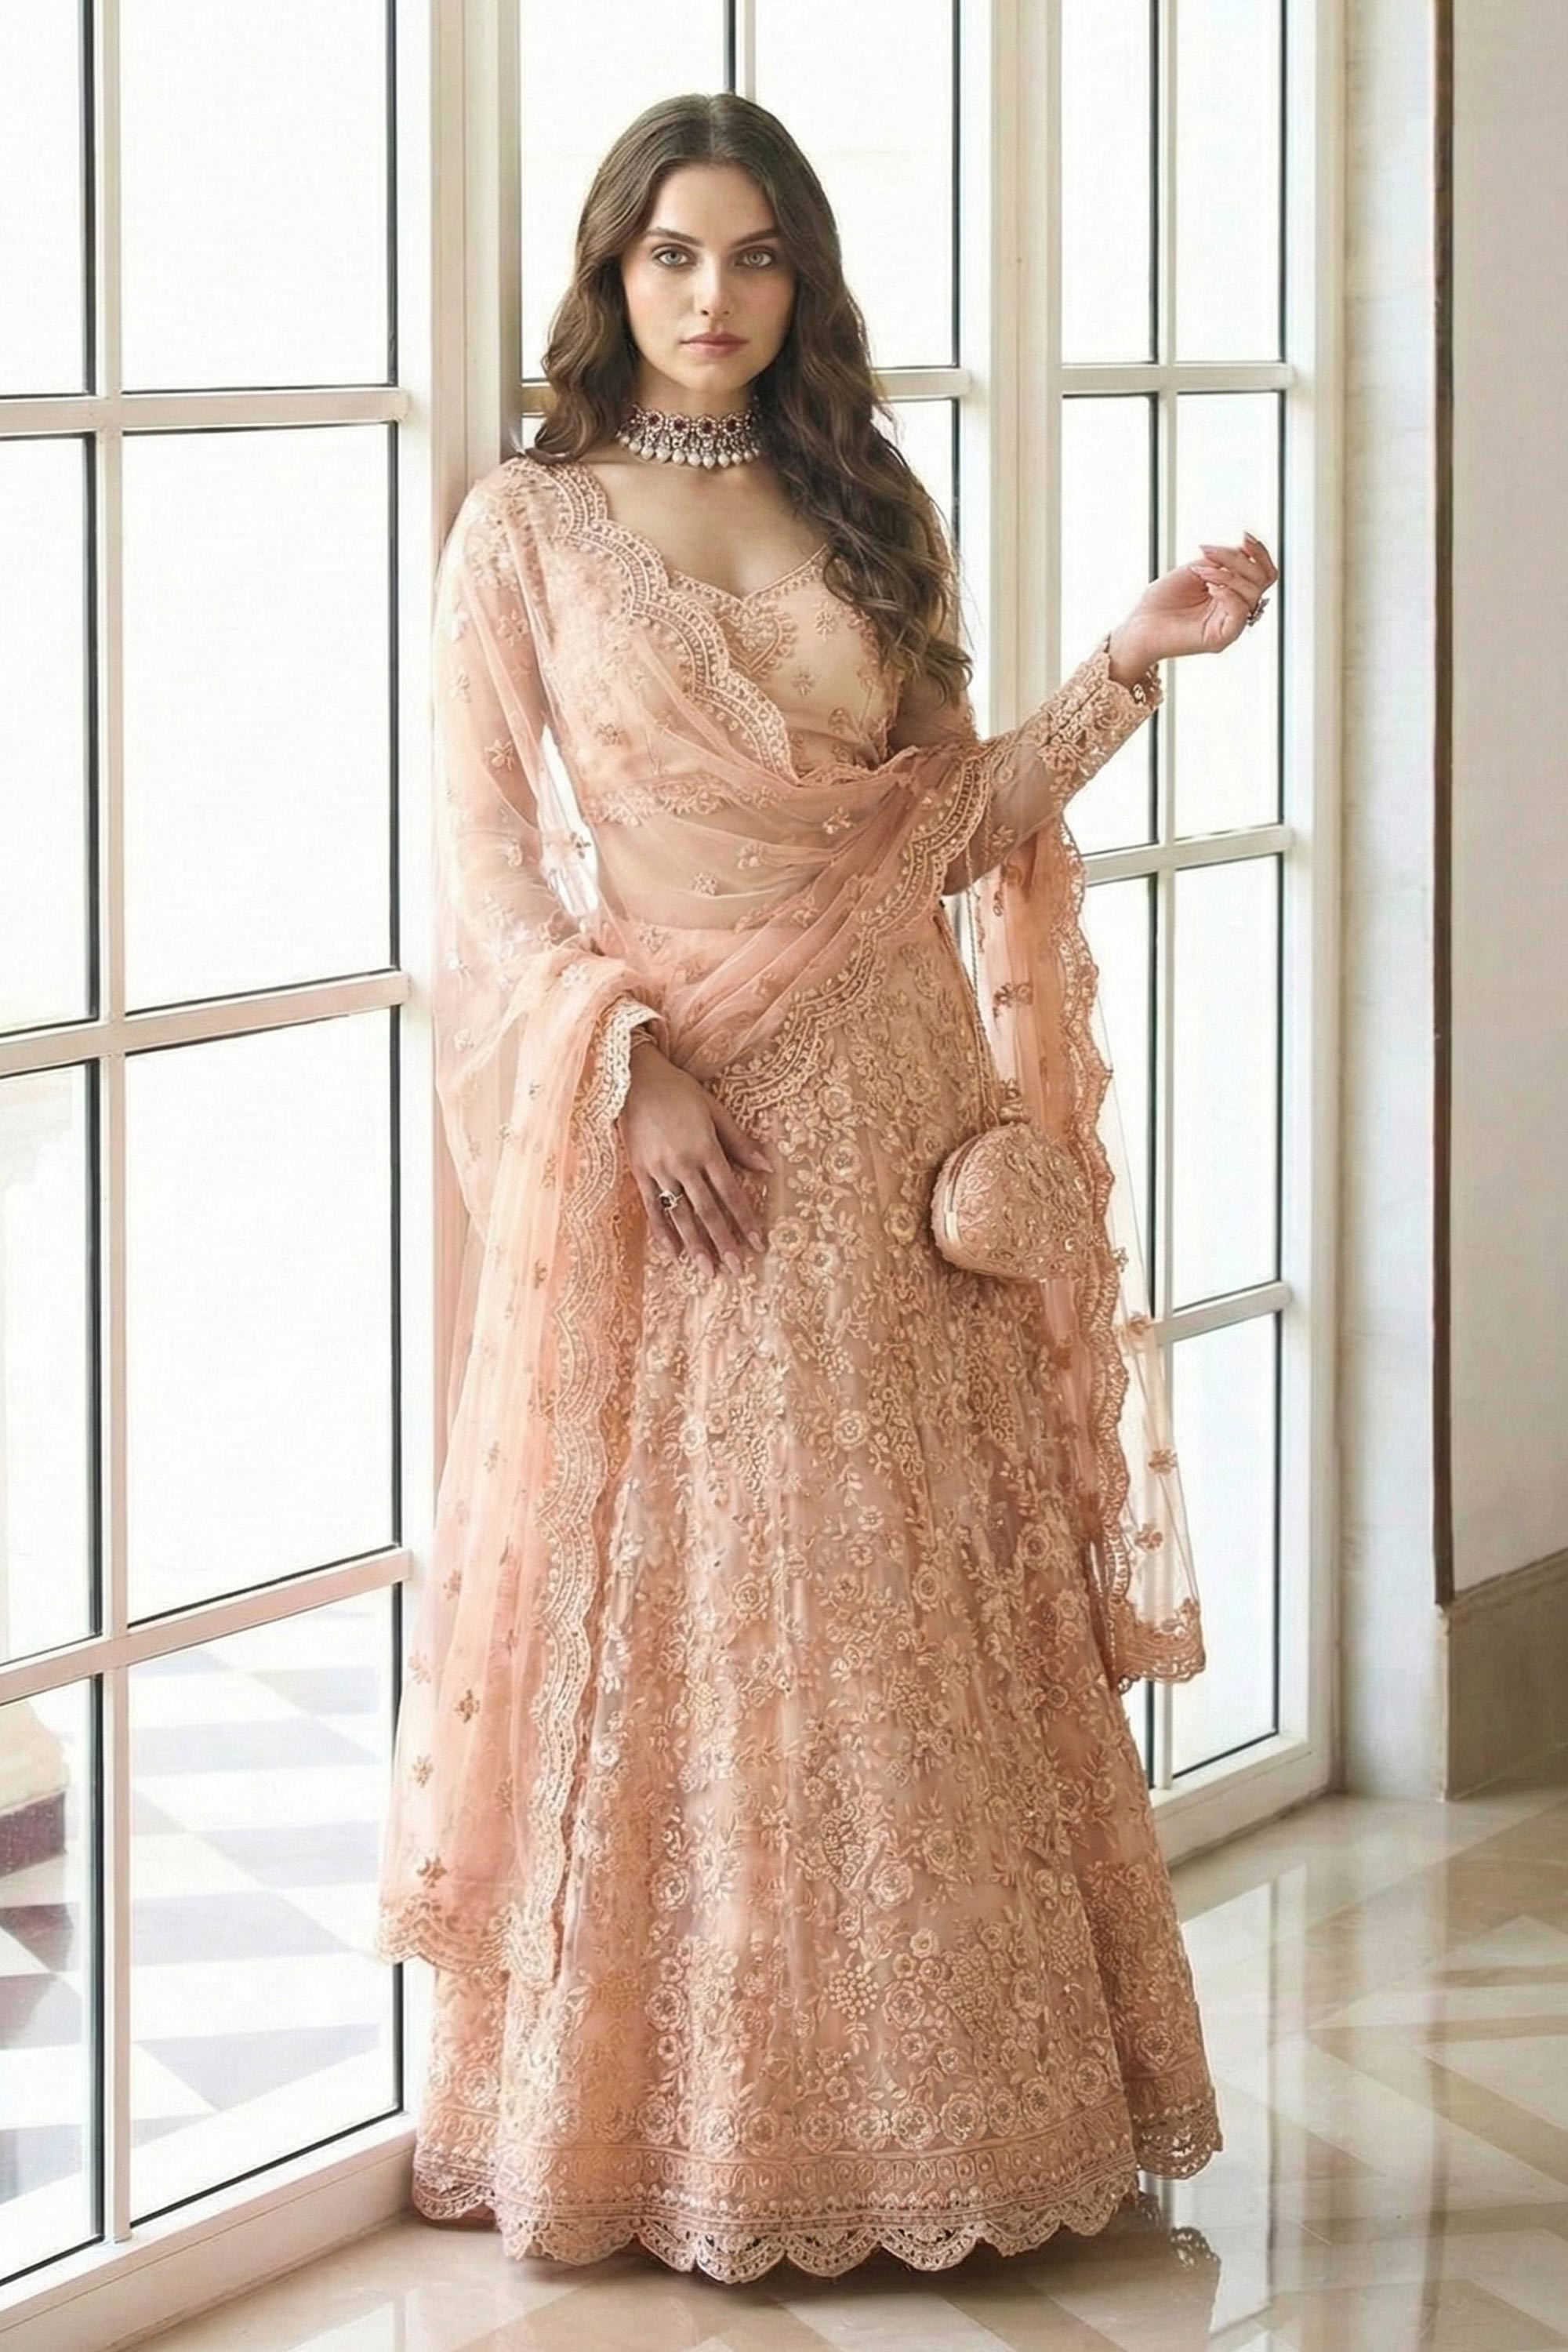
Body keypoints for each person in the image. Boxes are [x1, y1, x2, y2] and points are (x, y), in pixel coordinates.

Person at [376, 89, 1276, 2284]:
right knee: (708, 1611)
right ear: (613, 274)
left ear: (804, 280)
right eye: (674, 255)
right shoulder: (526, 529)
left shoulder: (865, 502)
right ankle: (692, 2137)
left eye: (756, 255)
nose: (714, 296)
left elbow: (948, 823)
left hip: (898, 1111)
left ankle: (976, 2117)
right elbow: (484, 875)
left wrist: (1128, 666)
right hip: (700, 1147)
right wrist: (628, 1066)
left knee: (921, 1603)